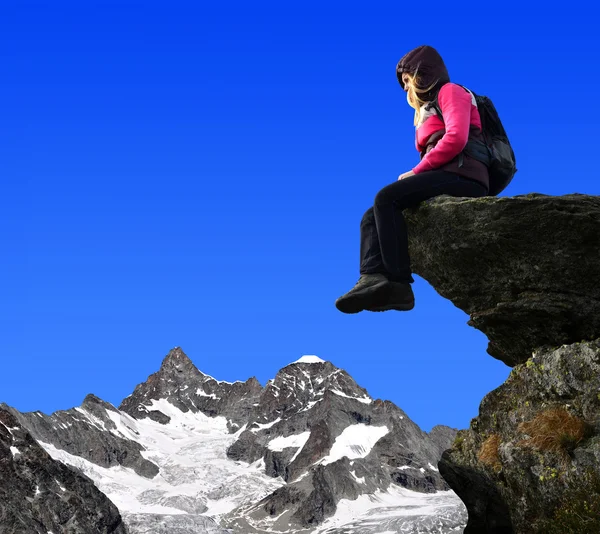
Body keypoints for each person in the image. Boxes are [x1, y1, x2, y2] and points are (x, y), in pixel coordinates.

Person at [335, 45, 490, 314]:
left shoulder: (451, 92)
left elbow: (456, 138)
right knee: (371, 216)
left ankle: (399, 285)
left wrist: (416, 172)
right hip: (447, 174)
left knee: (387, 197)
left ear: (424, 73)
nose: (406, 89)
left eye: (408, 80)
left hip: (466, 176)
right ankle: (372, 277)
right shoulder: (426, 111)